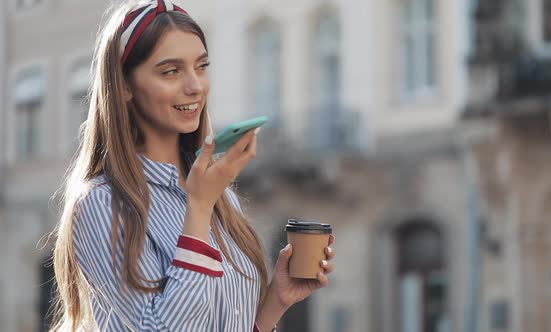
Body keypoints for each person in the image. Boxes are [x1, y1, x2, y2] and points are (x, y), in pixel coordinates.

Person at [49, 0, 336, 331]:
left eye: (201, 66)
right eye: (171, 71)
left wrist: (276, 302)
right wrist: (198, 208)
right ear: (125, 85)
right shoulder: (103, 203)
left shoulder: (221, 197)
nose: (195, 86)